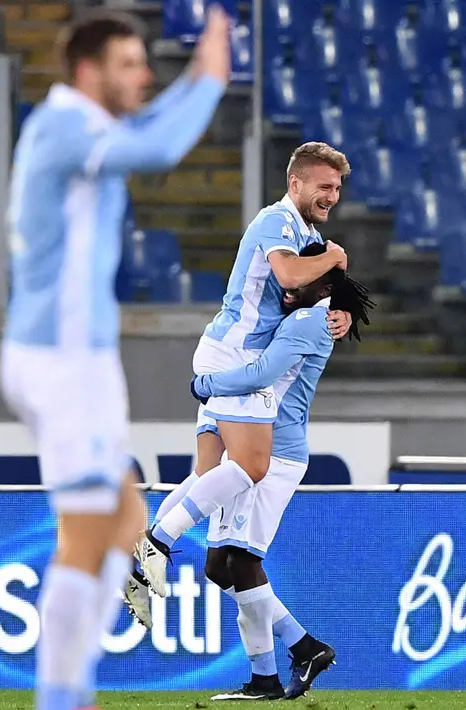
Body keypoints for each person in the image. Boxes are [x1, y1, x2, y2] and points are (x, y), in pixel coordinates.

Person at [0, 8, 230, 710]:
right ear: (88, 71)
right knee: (91, 530)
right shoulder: (69, 124)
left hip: (78, 361)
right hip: (60, 357)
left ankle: (70, 692)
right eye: (129, 64)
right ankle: (61, 698)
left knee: (119, 533)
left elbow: (145, 131)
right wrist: (209, 77)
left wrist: (192, 79)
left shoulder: (82, 126)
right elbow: (159, 150)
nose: (143, 75)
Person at [126, 242, 374, 700]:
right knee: (222, 567)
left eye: (299, 274)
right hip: (254, 439)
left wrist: (205, 385)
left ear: (321, 281)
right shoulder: (303, 316)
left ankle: (157, 542)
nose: (286, 281)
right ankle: (285, 661)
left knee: (240, 562)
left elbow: (263, 374)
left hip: (274, 454)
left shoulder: (309, 319)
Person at [135, 143, 354, 600]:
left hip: (223, 352)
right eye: (324, 186)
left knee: (208, 471)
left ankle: (142, 546)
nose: (332, 195)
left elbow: (311, 289)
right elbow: (292, 277)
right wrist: (335, 258)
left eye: (337, 187)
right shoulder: (278, 221)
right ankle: (159, 542)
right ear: (296, 183)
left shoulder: (300, 231)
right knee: (252, 465)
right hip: (237, 357)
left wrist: (344, 310)